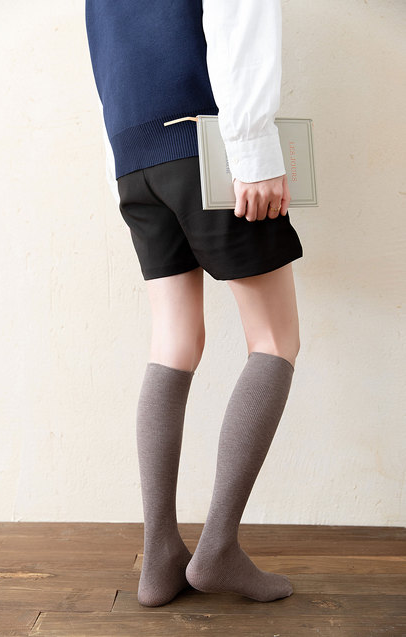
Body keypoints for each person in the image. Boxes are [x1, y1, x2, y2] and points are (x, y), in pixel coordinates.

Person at [85, 0, 302, 608]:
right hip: (203, 143)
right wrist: (254, 149)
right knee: (275, 339)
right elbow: (240, 14)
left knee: (174, 342)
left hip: (132, 160)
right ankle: (218, 550)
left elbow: (106, 61)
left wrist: (124, 166)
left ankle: (159, 558)